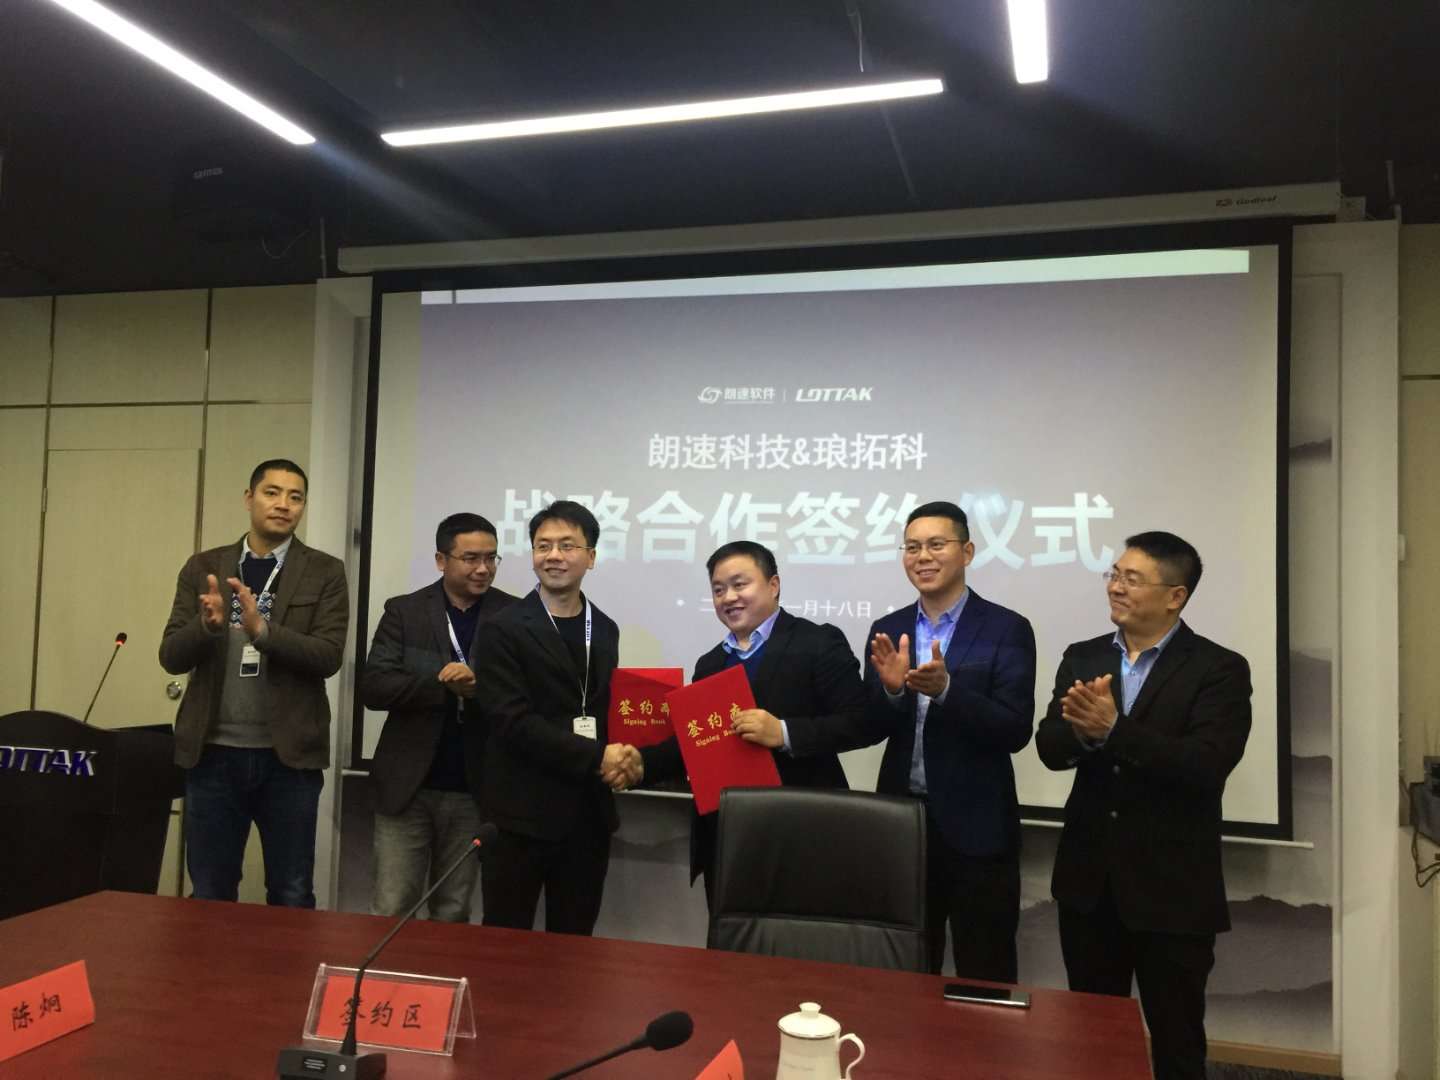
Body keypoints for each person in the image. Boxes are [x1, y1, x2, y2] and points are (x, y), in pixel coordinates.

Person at [1036, 531, 1251, 1080]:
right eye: (1114, 575)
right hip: (1089, 883)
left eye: (1132, 579)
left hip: (1172, 889)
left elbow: (1206, 764)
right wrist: (1085, 734)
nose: (1116, 587)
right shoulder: (1084, 656)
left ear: (1175, 596)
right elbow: (1050, 747)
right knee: (1093, 1037)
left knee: (1177, 1040)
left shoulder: (1218, 669)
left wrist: (1115, 730)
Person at [159, 459, 348, 907]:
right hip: (212, 755)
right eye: (272, 492)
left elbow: (328, 656)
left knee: (291, 891)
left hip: (290, 759)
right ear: (249, 498)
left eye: (295, 497)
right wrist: (206, 628)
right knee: (210, 890)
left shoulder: (325, 570)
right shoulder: (204, 566)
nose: (283, 504)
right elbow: (170, 656)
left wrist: (264, 633)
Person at [860, 501, 1035, 981]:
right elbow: (869, 727)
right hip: (903, 822)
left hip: (978, 828)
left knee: (985, 970)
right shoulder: (888, 628)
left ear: (967, 551)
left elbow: (1015, 729)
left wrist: (947, 691)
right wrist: (892, 691)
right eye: (912, 547)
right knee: (905, 970)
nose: (923, 556)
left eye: (936, 544)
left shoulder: (1006, 628)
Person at [639, 540, 867, 903]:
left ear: (773, 585)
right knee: (728, 935)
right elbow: (693, 743)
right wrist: (636, 762)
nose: (728, 597)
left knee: (800, 934)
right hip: (727, 835)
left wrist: (784, 733)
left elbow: (860, 722)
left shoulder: (818, 642)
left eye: (739, 584)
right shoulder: (710, 664)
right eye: (718, 589)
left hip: (803, 829)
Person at [472, 501, 639, 935]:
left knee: (575, 944)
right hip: (519, 817)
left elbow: (603, 710)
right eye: (543, 546)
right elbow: (511, 721)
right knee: (506, 944)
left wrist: (630, 756)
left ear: (591, 556)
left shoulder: (605, 628)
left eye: (567, 545)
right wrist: (598, 756)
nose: (554, 556)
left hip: (587, 817)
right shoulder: (503, 627)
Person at [360, 513, 517, 921]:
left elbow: (525, 695)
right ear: (441, 560)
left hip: (475, 788)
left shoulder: (514, 615)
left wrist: (478, 688)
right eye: (471, 558)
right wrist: (442, 685)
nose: (483, 569)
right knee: (392, 905)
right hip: (407, 787)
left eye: (491, 558)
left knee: (453, 910)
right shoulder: (405, 612)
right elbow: (374, 686)